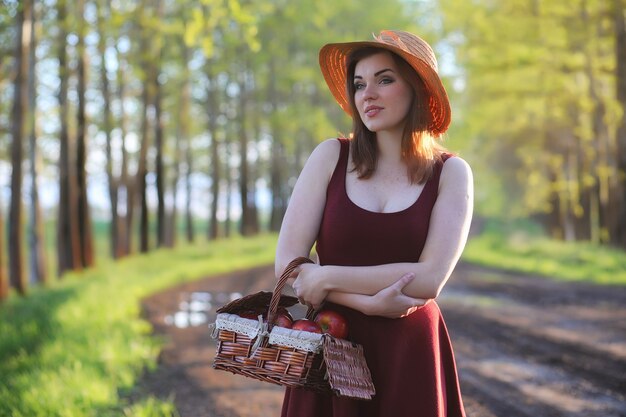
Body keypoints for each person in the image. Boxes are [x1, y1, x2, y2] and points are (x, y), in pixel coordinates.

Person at [275, 30, 472, 417]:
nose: (368, 93)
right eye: (360, 84)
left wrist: (327, 278)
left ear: (418, 89)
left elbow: (430, 278)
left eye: (385, 79)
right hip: (331, 344)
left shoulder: (452, 173)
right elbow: (288, 266)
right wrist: (368, 303)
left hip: (411, 348)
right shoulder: (330, 157)